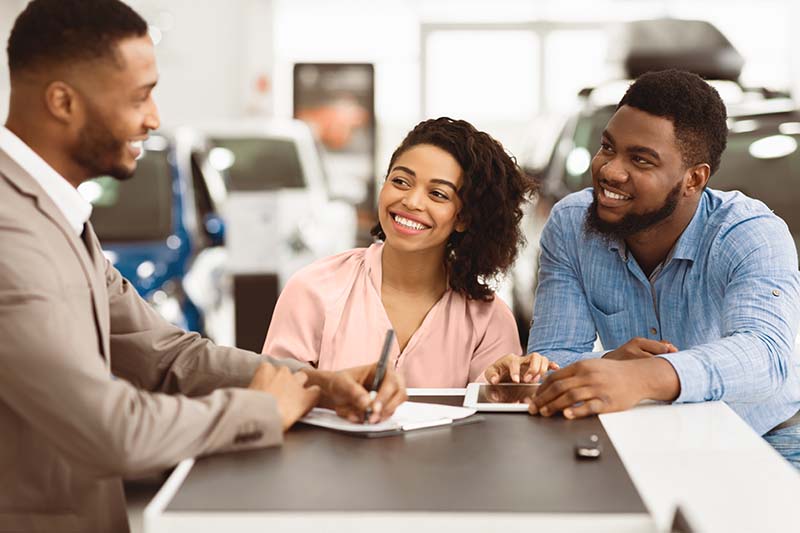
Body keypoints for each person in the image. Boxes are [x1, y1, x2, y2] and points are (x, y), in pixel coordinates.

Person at [0, 1, 404, 531]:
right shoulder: (10, 232)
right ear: (62, 101)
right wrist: (262, 410)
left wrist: (315, 383)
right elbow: (110, 429)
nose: (154, 118)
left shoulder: (54, 213)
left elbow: (167, 355)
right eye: (140, 96)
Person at [484, 69, 800, 467]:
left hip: (765, 435)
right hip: (641, 430)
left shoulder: (749, 233)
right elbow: (555, 355)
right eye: (608, 147)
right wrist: (606, 366)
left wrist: (647, 375)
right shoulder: (571, 224)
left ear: (694, 179)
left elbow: (765, 354)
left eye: (641, 159)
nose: (610, 171)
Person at [263, 117, 543, 393]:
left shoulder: (489, 321)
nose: (411, 201)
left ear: (464, 218)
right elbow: (275, 398)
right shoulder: (314, 290)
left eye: (438, 194)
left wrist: (503, 388)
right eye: (400, 181)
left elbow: (488, 427)